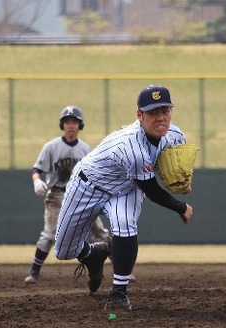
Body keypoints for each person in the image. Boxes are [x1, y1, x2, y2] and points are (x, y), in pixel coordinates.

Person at [54, 85, 194, 310]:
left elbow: (172, 160)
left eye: (165, 111)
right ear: (139, 115)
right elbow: (151, 190)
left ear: (171, 112)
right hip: (88, 185)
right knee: (63, 251)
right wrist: (181, 207)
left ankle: (119, 292)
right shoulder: (131, 146)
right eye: (152, 113)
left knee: (124, 224)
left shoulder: (175, 135)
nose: (160, 118)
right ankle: (92, 254)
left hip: (126, 188)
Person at [24, 105, 111, 284]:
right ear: (62, 125)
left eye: (74, 122)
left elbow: (95, 174)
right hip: (56, 195)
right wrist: (36, 180)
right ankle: (34, 272)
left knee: (101, 233)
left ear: (80, 126)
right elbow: (37, 169)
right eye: (67, 122)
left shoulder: (86, 149)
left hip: (82, 197)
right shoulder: (51, 147)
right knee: (49, 235)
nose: (71, 125)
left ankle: (121, 270)